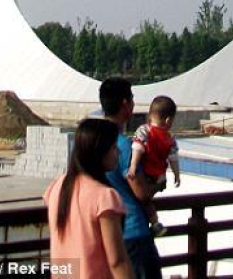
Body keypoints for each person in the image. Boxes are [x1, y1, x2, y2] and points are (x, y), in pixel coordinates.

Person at [43, 117, 134, 279]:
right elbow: (117, 261)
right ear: (99, 151)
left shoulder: (57, 186)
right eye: (114, 147)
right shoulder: (105, 197)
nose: (118, 153)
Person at [99, 77, 163, 279]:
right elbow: (141, 192)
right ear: (125, 103)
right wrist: (158, 184)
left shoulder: (95, 142)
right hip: (134, 233)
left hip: (107, 232)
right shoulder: (122, 146)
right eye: (132, 98)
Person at [127, 94, 181, 235]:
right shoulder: (170, 138)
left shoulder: (144, 131)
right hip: (160, 176)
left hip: (146, 174)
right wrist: (177, 175)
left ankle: (154, 223)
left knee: (142, 199)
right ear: (168, 120)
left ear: (150, 115)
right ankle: (155, 223)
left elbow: (137, 148)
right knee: (147, 199)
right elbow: (173, 158)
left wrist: (133, 166)